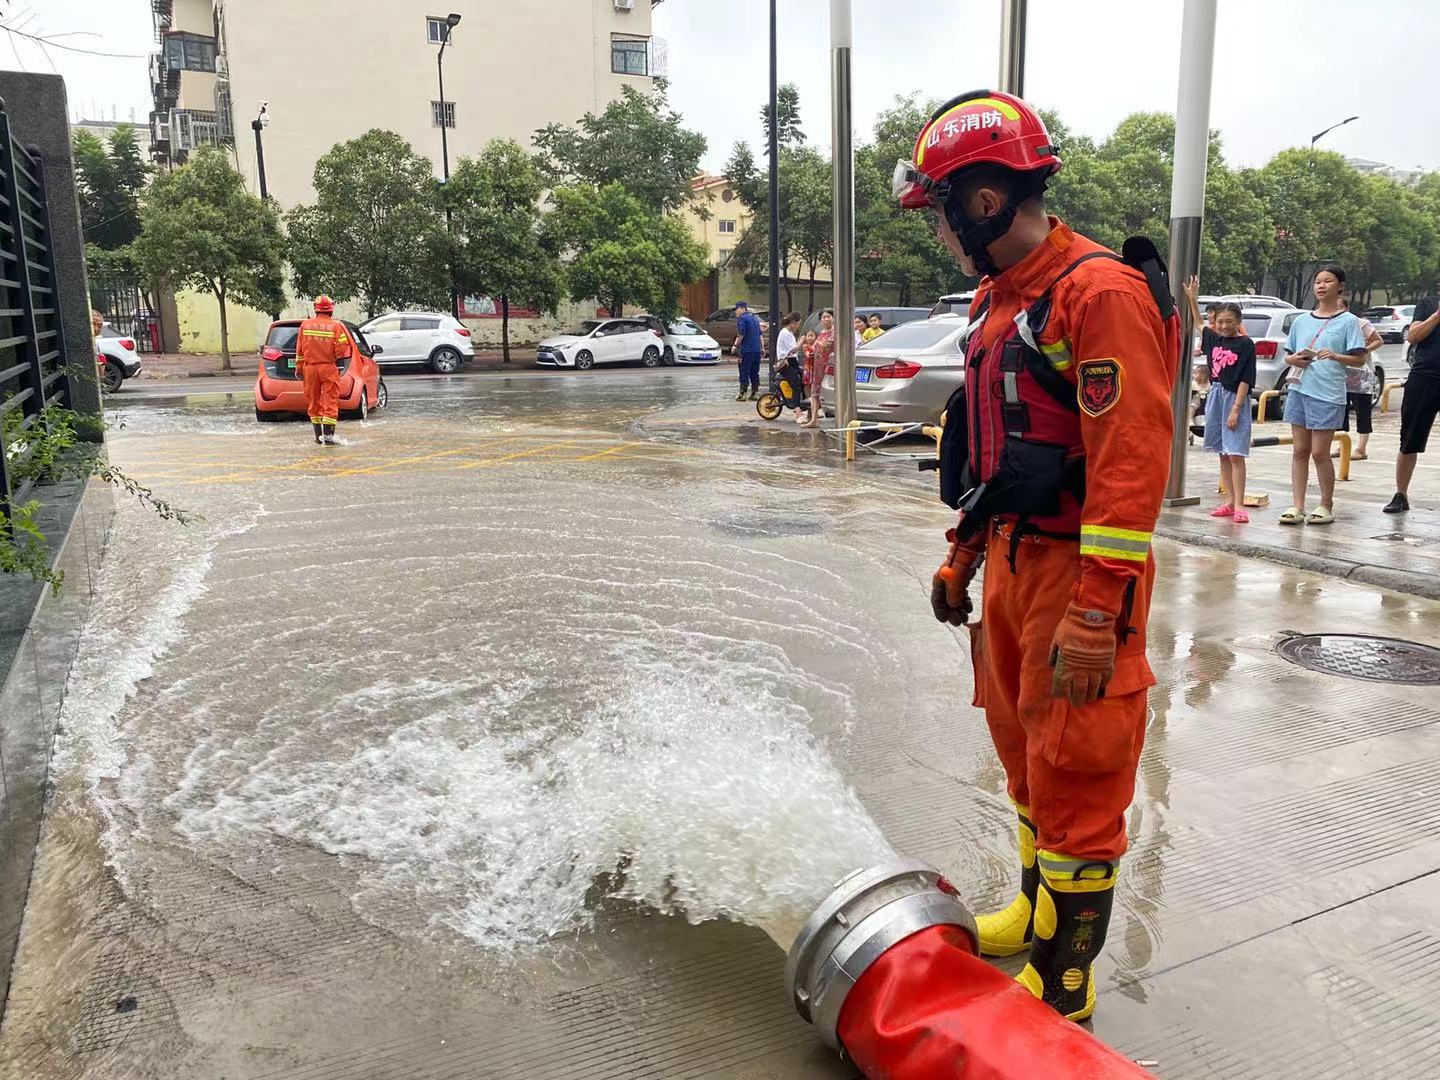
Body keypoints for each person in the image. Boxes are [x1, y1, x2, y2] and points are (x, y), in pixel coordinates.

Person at [897, 90, 1179, 1022]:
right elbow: (996, 453)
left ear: (984, 199)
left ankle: (1066, 975)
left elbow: (1130, 465)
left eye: (942, 207)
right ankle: (1033, 908)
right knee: (1024, 755)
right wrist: (964, 556)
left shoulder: (1098, 296)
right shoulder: (999, 298)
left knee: (1080, 766)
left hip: (1080, 574)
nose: (940, 229)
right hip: (1017, 562)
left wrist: (1098, 612)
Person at [1279, 266, 1367, 525]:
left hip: (1328, 393)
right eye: (1318, 281)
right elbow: (1288, 354)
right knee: (1299, 450)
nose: (1321, 286)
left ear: (1340, 286)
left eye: (1327, 281)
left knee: (1320, 452)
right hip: (1299, 389)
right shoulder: (1301, 320)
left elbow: (1359, 359)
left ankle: (1326, 504)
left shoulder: (1349, 321)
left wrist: (1336, 355)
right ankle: (1298, 505)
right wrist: (1293, 359)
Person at [1185, 283, 1256, 522]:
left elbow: (1247, 378)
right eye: (1220, 321)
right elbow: (1198, 324)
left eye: (1229, 321)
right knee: (1223, 454)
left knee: (1235, 453)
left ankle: (1239, 505)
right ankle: (1228, 501)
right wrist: (1193, 299)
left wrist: (1236, 409)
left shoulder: (1245, 344)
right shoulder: (1215, 339)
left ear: (1238, 321)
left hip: (1235, 397)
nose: (1223, 326)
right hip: (1215, 395)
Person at [1385, 282, 1440, 513]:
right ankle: (1401, 495)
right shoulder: (1428, 303)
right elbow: (1414, 336)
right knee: (1410, 439)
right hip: (1425, 376)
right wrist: (1437, 315)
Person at [295, 294, 352, 445]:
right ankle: (328, 439)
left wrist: (299, 368)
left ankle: (318, 438)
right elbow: (342, 348)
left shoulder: (305, 325)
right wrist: (332, 355)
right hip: (328, 367)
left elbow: (299, 349)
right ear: (331, 310)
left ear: (316, 309)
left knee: (313, 402)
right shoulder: (336, 326)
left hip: (310, 368)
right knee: (330, 401)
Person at [1341, 302, 1384, 461]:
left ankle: (1361, 448)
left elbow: (1378, 340)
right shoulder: (1330, 324)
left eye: (1340, 307)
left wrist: (1364, 350)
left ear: (1346, 308)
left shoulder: (1361, 323)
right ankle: (1342, 443)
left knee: (1362, 409)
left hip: (1360, 372)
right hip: (1340, 371)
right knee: (1341, 408)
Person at [809, 310, 836, 428]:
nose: (826, 319)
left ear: (833, 318)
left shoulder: (835, 332)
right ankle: (813, 419)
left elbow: (826, 345)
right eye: (824, 317)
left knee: (832, 393)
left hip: (830, 367)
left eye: (828, 316)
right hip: (818, 367)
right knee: (815, 394)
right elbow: (814, 347)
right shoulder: (821, 332)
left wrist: (816, 344)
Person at [731, 301, 763, 402]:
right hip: (756, 350)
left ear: (742, 308)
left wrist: (735, 346)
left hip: (746, 350)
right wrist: (762, 348)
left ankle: (743, 393)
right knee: (754, 372)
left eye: (736, 309)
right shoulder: (754, 318)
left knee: (744, 371)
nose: (736, 311)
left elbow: (741, 334)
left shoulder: (742, 319)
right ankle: (754, 393)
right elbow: (760, 335)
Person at [775, 313, 805, 421]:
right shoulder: (785, 333)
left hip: (792, 361)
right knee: (796, 384)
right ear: (793, 323)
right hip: (786, 363)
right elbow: (794, 349)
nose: (798, 326)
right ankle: (797, 412)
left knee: (804, 378)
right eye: (798, 323)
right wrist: (801, 341)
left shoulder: (789, 333)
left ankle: (807, 407)